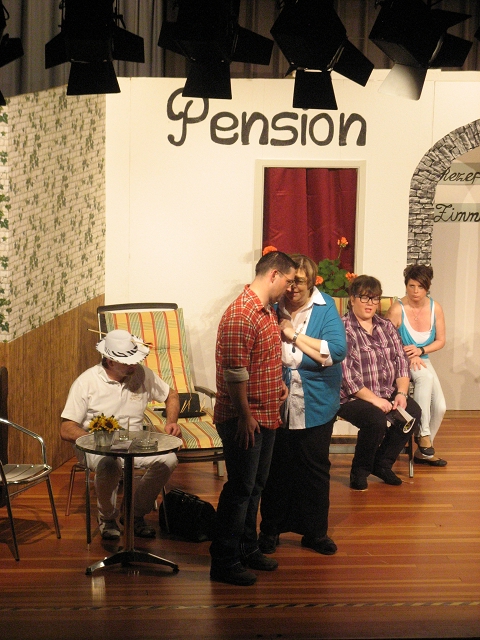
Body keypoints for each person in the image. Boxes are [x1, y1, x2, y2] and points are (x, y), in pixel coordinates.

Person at [209, 250, 297, 586]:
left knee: (255, 486)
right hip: (244, 418)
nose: (289, 289)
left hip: (265, 413)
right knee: (240, 488)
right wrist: (244, 416)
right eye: (288, 281)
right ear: (274, 274)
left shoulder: (267, 311)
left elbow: (261, 359)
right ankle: (224, 560)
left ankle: (247, 548)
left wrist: (277, 386)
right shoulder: (241, 314)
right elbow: (235, 373)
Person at [258, 254, 347, 556]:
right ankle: (270, 529)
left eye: (300, 282)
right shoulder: (273, 306)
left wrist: (293, 334)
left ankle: (315, 533)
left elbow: (335, 351)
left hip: (317, 400)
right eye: (290, 281)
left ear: (312, 283)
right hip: (277, 398)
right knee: (276, 468)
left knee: (314, 469)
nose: (293, 288)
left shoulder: (325, 306)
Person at [61, 329, 182, 540]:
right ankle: (107, 518)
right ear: (110, 361)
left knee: (168, 460)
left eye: (135, 360)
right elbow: (66, 428)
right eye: (128, 362)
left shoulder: (141, 374)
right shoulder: (86, 382)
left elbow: (171, 395)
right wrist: (94, 441)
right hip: (97, 447)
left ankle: (134, 514)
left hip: (134, 443)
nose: (134, 365)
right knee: (110, 464)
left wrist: (171, 421)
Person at [338, 275, 422, 491]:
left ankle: (382, 464)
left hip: (386, 391)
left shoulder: (386, 326)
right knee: (375, 420)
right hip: (352, 396)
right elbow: (347, 377)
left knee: (413, 411)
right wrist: (375, 400)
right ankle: (360, 471)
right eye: (364, 298)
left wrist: (401, 392)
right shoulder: (343, 328)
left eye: (374, 299)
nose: (370, 304)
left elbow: (401, 362)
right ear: (352, 299)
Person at [386, 264, 447, 466]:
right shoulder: (397, 309)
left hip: (422, 358)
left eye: (420, 287)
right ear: (406, 285)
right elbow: (385, 342)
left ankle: (423, 453)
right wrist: (406, 353)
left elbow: (441, 340)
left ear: (427, 287)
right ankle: (422, 434)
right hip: (400, 360)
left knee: (441, 407)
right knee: (425, 377)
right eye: (411, 286)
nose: (415, 291)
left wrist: (420, 350)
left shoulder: (435, 308)